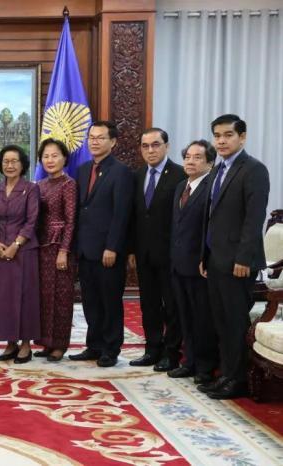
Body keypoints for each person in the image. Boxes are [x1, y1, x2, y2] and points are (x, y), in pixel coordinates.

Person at [199, 114, 269, 399]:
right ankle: (226, 374)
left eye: (228, 135)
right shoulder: (218, 169)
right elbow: (211, 217)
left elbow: (254, 219)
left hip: (238, 263)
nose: (221, 141)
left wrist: (244, 258)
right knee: (221, 322)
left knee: (235, 321)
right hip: (216, 260)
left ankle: (238, 380)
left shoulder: (254, 170)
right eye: (217, 136)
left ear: (242, 137)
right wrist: (204, 255)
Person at [69, 121, 134, 368]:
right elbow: (81, 209)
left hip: (108, 250)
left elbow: (121, 214)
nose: (94, 141)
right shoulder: (83, 169)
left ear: (113, 142)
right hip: (85, 249)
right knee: (91, 301)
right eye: (91, 137)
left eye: (100, 137)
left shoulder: (121, 172)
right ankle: (94, 345)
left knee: (110, 301)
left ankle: (110, 349)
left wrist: (113, 247)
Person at [128, 128, 186, 371]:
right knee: (149, 304)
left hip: (170, 254)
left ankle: (171, 354)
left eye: (155, 145)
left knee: (171, 306)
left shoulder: (180, 175)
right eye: (145, 146)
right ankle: (152, 349)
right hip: (144, 254)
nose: (150, 150)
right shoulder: (138, 175)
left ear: (166, 146)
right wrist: (132, 250)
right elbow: (135, 217)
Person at [168, 140, 218, 385]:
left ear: (210, 162)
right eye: (187, 156)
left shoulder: (212, 187)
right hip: (178, 263)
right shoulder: (181, 186)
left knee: (202, 318)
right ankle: (189, 362)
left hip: (200, 265)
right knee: (184, 316)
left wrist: (204, 257)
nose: (190, 161)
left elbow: (211, 227)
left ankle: (205, 367)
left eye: (197, 157)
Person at [0, 145, 40, 364]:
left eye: (14, 161)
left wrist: (16, 244)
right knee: (3, 298)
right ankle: (10, 343)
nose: (9, 165)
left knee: (25, 297)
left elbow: (32, 221)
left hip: (24, 251)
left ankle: (26, 345)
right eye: (6, 161)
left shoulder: (31, 189)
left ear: (22, 164)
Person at [34, 138, 77, 362]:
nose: (50, 160)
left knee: (61, 297)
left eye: (55, 155)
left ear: (64, 158)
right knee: (43, 297)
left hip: (60, 248)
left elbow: (71, 221)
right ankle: (46, 342)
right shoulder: (39, 185)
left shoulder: (68, 184)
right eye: (46, 156)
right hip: (40, 247)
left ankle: (59, 344)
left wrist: (64, 250)